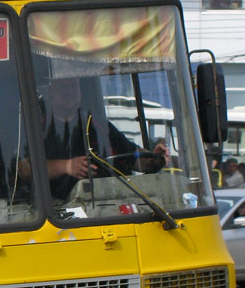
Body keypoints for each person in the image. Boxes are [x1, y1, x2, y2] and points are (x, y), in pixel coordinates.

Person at [36, 78, 167, 200]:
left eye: (72, 86)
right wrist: (66, 166)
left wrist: (154, 159)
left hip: (107, 207)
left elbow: (132, 158)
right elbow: (25, 168)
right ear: (50, 91)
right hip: (56, 211)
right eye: (62, 87)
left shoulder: (96, 123)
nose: (68, 92)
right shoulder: (38, 125)